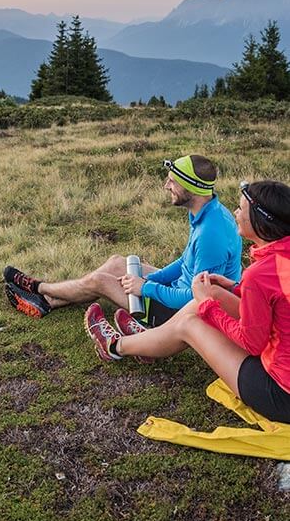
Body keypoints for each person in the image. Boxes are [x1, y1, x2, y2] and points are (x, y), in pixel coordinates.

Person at [84, 179, 290, 424]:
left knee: (191, 322)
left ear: (261, 221)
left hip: (280, 394)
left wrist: (207, 306)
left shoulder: (260, 273)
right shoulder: (278, 256)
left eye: (240, 208)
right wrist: (233, 287)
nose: (235, 212)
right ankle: (149, 339)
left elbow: (252, 343)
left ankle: (115, 347)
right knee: (212, 293)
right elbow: (279, 301)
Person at [4, 154, 242, 327]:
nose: (166, 185)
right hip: (179, 289)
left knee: (100, 280)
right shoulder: (206, 212)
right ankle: (47, 302)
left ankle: (38, 288)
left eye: (172, 181)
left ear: (191, 186)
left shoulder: (212, 234)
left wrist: (146, 287)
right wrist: (152, 278)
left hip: (181, 313)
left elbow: (196, 298)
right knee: (118, 262)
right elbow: (185, 261)